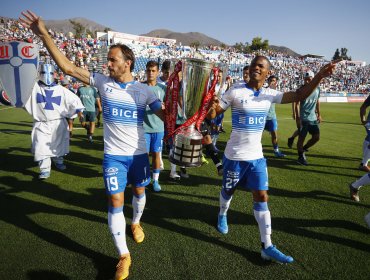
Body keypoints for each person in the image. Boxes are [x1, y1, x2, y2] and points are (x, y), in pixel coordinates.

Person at [19, 10, 164, 280]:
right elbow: (68, 68)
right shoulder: (102, 82)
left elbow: (163, 114)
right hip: (114, 157)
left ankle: (135, 223)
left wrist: (196, 112)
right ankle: (123, 255)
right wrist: (44, 34)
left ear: (128, 62)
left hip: (139, 155)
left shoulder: (144, 90)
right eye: (108, 60)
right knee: (115, 200)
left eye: (113, 60)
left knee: (140, 193)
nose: (108, 64)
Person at [207, 55, 338, 264]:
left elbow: (299, 94)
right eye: (253, 65)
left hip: (257, 159)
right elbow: (213, 115)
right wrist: (211, 106)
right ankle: (222, 214)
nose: (256, 68)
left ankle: (266, 246)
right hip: (234, 157)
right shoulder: (235, 91)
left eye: (261, 66)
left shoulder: (269, 94)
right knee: (227, 191)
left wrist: (320, 76)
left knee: (262, 197)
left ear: (268, 72)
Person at [24, 62, 84, 179]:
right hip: (41, 123)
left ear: (54, 74)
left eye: (50, 73)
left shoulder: (61, 90)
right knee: (40, 146)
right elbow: (21, 96)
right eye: (43, 72)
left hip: (58, 123)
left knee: (58, 145)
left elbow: (74, 101)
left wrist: (79, 112)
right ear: (39, 73)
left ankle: (59, 161)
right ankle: (45, 169)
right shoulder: (33, 88)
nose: (46, 75)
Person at [143, 60, 166, 192]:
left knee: (156, 154)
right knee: (144, 155)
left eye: (153, 71)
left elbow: (169, 108)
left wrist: (164, 107)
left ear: (157, 72)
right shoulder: (140, 87)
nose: (150, 73)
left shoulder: (163, 89)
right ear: (145, 71)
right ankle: (145, 178)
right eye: (148, 70)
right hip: (143, 128)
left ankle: (155, 180)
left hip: (158, 128)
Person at [296, 71, 322, 166]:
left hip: (313, 118)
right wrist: (298, 117)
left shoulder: (317, 89)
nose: (307, 81)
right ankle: (300, 157)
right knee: (301, 138)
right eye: (306, 79)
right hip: (304, 118)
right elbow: (297, 104)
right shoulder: (301, 89)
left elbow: (317, 102)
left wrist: (319, 114)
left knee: (316, 137)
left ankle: (303, 148)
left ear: (313, 79)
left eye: (309, 79)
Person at [264, 75, 285, 157]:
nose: (273, 82)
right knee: (257, 136)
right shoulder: (264, 90)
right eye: (271, 80)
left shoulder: (276, 92)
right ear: (268, 82)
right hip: (262, 117)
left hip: (272, 117)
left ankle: (276, 151)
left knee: (274, 135)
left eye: (275, 81)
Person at [358, 95, 370, 171]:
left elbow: (362, 107)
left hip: (368, 123)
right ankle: (363, 164)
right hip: (369, 123)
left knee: (368, 138)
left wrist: (363, 120)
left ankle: (365, 158)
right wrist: (363, 120)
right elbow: (363, 107)